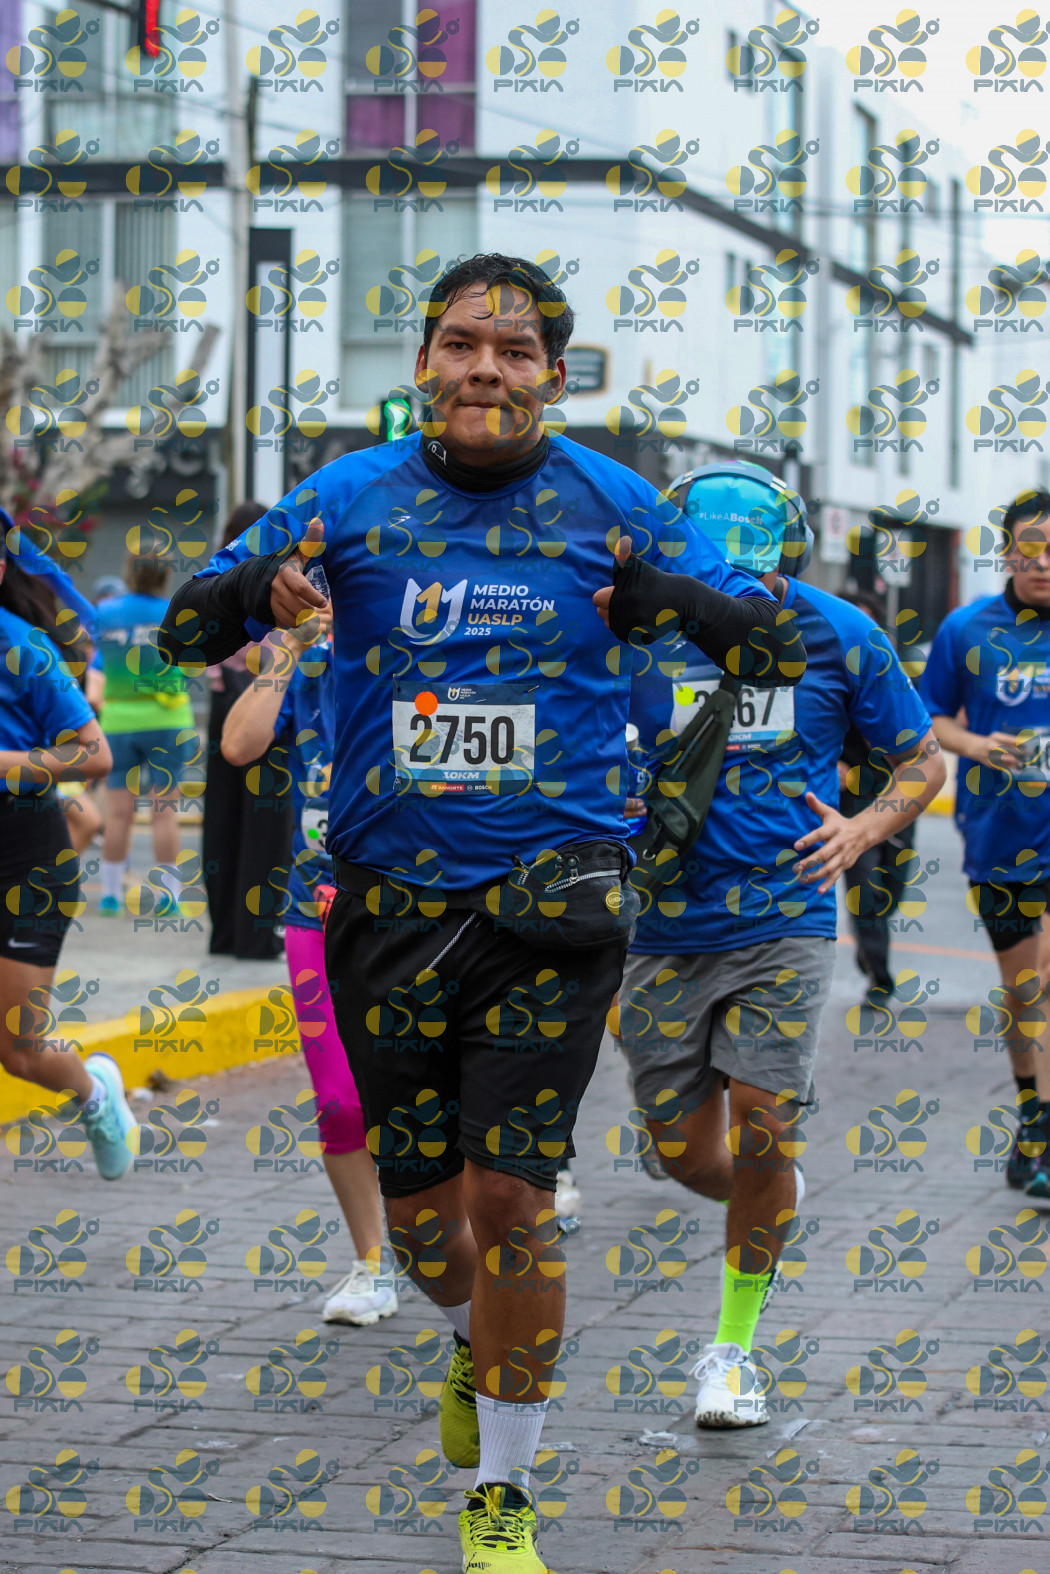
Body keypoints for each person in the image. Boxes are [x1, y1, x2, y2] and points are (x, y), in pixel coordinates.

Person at [158, 253, 802, 1574]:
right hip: (386, 908)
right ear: (425, 363)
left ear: (552, 376)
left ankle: (502, 1492)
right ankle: (467, 1339)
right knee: (425, 1230)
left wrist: (664, 600)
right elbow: (181, 629)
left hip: (550, 909)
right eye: (462, 343)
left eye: (515, 352)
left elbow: (769, 645)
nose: (486, 370)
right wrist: (255, 595)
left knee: (512, 1194)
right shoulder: (344, 495)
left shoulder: (615, 502)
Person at [617, 462, 944, 1429]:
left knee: (764, 1122)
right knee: (684, 1154)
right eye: (716, 575)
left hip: (785, 916)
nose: (737, 595)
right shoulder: (639, 633)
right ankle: (770, 1191)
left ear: (785, 559)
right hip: (661, 926)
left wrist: (862, 829)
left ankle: (732, 1350)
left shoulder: (841, 632)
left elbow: (920, 760)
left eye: (753, 576)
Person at [220, 603, 398, 1326]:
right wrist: (286, 654)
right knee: (340, 1102)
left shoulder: (422, 658)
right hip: (313, 912)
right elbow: (239, 745)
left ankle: (452, 1240)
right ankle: (372, 1263)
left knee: (434, 1096)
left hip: (420, 911)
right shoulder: (308, 668)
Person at [920, 487, 1050, 1197]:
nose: (1043, 563)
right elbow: (931, 717)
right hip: (1001, 835)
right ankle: (1032, 1114)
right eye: (1030, 549)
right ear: (1006, 553)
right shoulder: (967, 629)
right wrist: (976, 744)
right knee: (1025, 993)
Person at [0, 517, 136, 1179]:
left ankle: (96, 1094)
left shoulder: (23, 648)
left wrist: (6, 764)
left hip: (26, 861)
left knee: (19, 1052)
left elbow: (96, 755)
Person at [202, 500, 292, 960]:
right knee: (267, 824)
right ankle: (256, 935)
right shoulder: (276, 579)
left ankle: (223, 932)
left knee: (221, 819)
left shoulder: (215, 579)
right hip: (267, 700)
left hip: (223, 704)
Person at [95, 551, 196, 916]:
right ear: (166, 574)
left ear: (128, 571)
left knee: (118, 814)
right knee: (164, 813)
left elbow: (97, 659)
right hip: (168, 720)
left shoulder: (104, 613)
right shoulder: (177, 611)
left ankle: (110, 895)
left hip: (118, 721)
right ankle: (169, 897)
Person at [838, 588, 917, 1005]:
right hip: (853, 799)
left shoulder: (896, 677)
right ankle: (879, 975)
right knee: (865, 892)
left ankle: (870, 942)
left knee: (892, 889)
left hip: (901, 794)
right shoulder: (829, 678)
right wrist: (832, 764)